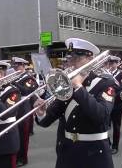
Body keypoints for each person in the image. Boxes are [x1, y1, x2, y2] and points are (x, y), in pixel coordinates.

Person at [33, 38, 116, 168]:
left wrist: (78, 87)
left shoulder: (105, 82)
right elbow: (47, 120)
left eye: (76, 59)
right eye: (70, 59)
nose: (71, 64)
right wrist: (41, 113)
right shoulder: (67, 85)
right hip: (67, 151)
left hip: (94, 153)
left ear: (90, 59)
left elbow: (102, 116)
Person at [11, 56, 39, 166]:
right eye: (14, 66)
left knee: (23, 135)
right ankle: (15, 155)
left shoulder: (28, 78)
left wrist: (15, 84)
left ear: (23, 66)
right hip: (14, 108)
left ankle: (23, 158)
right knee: (15, 134)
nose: (15, 68)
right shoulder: (13, 77)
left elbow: (27, 91)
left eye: (17, 66)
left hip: (24, 107)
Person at [108, 56, 122, 154]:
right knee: (104, 124)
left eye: (112, 63)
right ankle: (107, 143)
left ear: (116, 64)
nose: (111, 65)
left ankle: (115, 146)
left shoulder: (121, 74)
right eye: (109, 63)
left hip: (117, 103)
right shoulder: (106, 73)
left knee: (116, 125)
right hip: (106, 102)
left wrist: (113, 94)